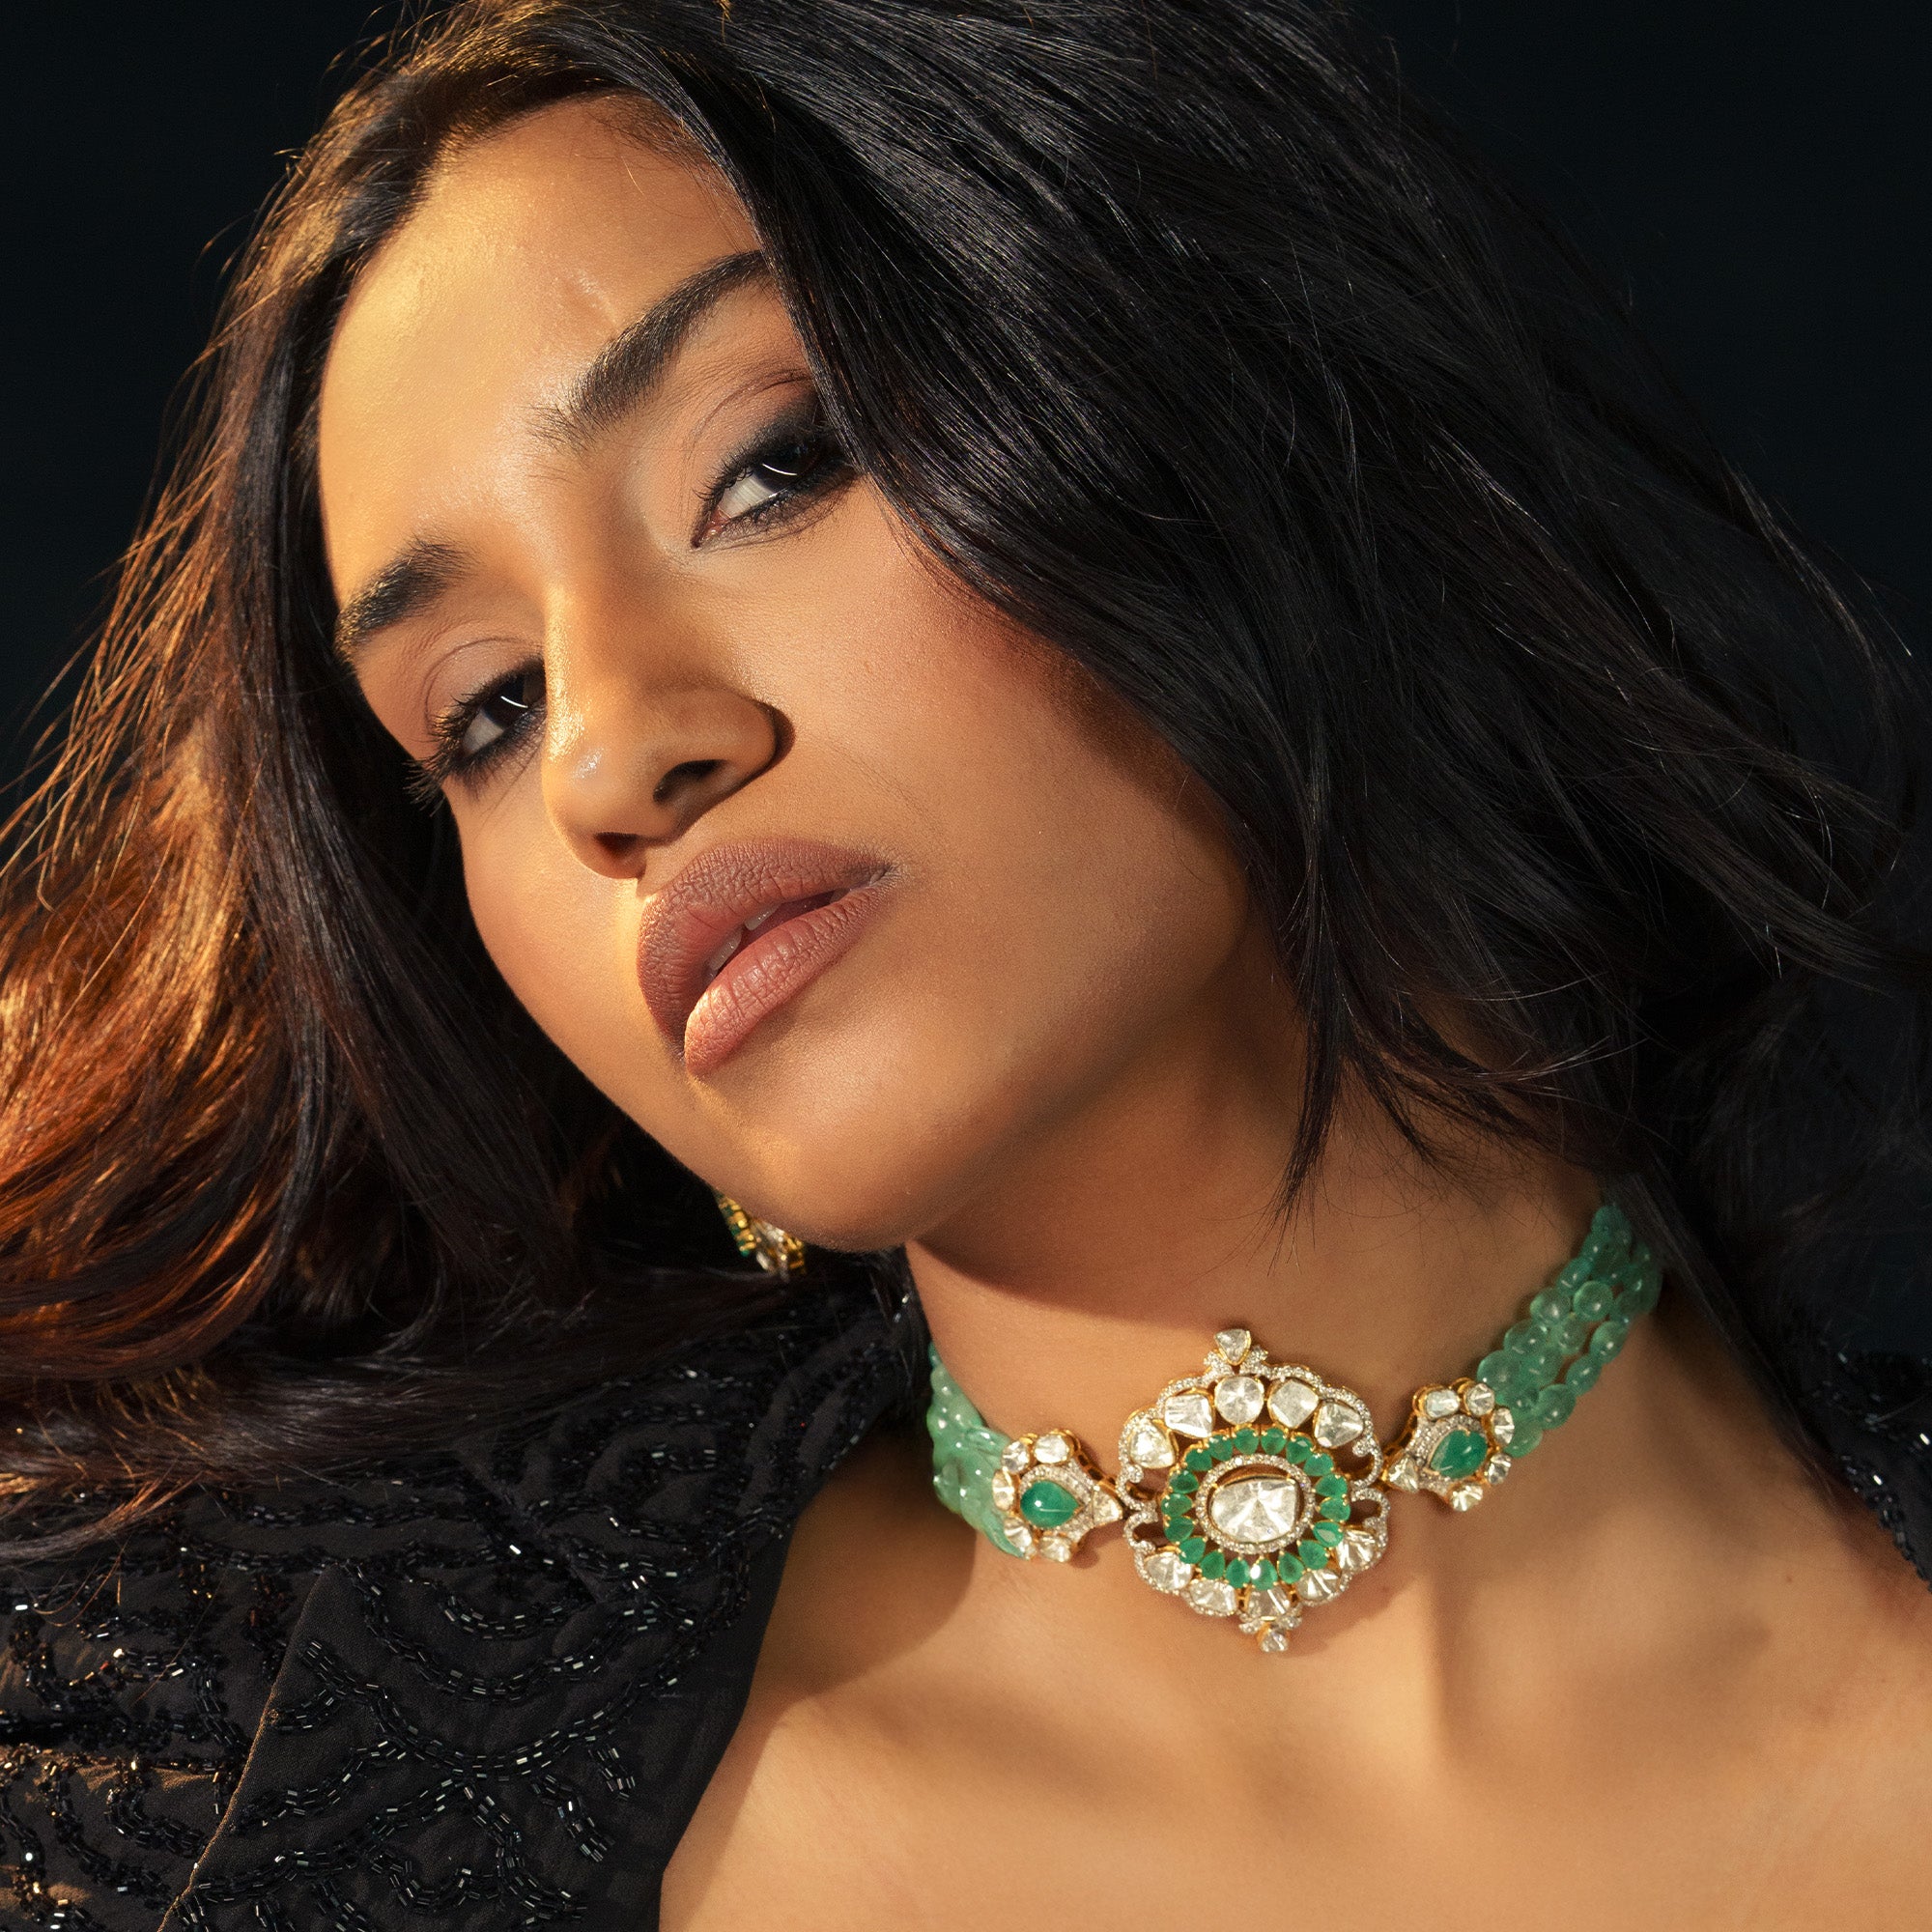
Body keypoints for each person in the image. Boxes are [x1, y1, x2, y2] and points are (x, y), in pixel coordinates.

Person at [2, 2, 1928, 1925]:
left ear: (1215, 393)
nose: (603, 760)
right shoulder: (217, 1795)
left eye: (772, 467)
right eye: (485, 709)